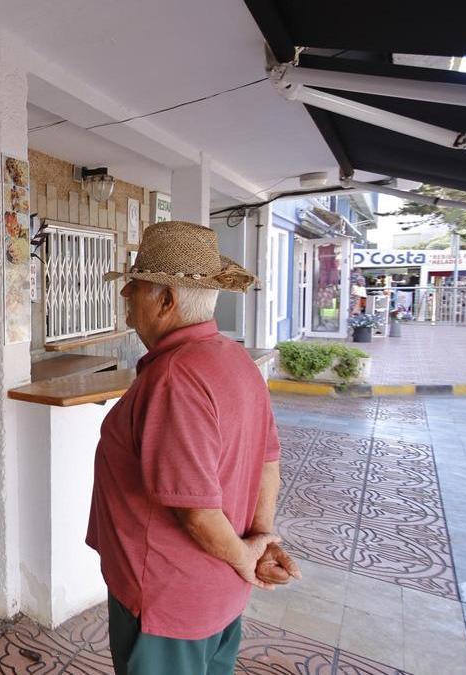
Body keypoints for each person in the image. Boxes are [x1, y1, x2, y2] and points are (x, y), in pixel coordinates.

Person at [87, 221, 302, 675]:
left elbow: (198, 512)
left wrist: (248, 556)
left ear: (166, 300)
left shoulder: (174, 377)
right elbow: (269, 462)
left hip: (169, 606)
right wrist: (257, 542)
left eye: (137, 286)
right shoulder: (234, 359)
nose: (126, 294)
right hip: (214, 597)